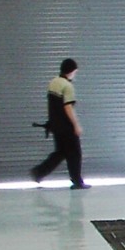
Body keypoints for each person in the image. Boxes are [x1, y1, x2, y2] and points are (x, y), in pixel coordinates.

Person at [30, 58, 89, 188]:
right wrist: (76, 125)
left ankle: (39, 172)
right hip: (66, 126)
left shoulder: (53, 82)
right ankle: (77, 182)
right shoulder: (68, 86)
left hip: (56, 126)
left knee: (61, 152)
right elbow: (68, 107)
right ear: (72, 71)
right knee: (75, 153)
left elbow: (52, 106)